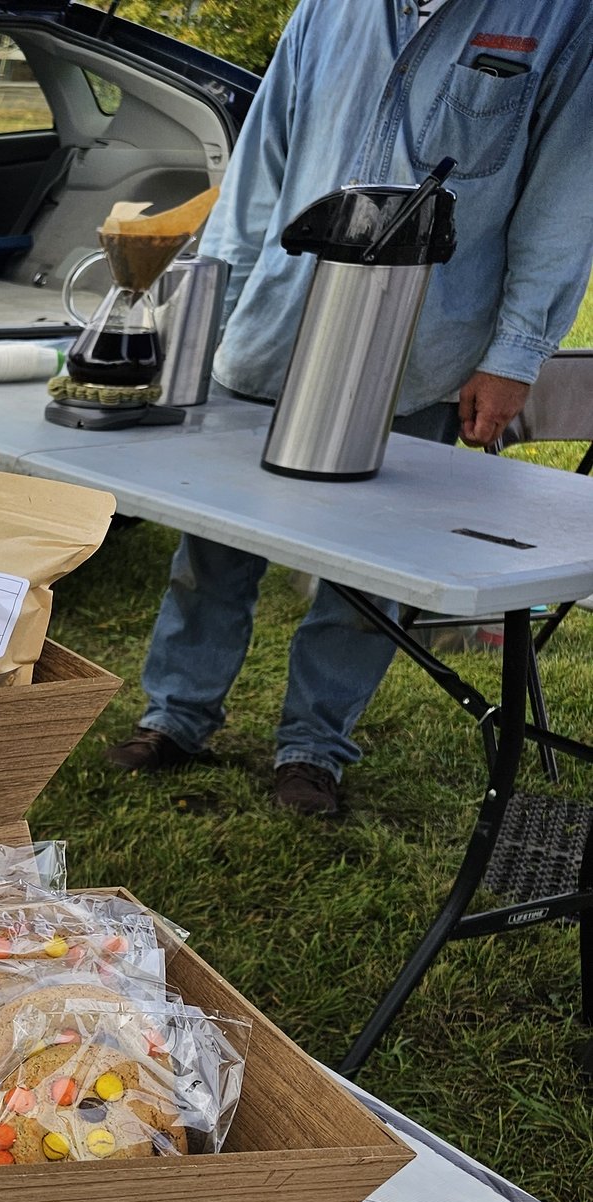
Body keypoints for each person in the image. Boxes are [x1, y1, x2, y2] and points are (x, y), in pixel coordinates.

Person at [107, 0, 593, 817]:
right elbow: (261, 165)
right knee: (214, 545)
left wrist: (513, 357)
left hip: (416, 346)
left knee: (367, 572)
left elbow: (565, 198)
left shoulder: (562, 17)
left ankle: (313, 748)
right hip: (274, 328)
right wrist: (211, 312)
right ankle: (176, 716)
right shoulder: (328, 7)